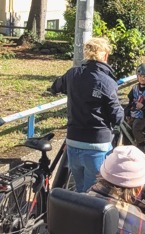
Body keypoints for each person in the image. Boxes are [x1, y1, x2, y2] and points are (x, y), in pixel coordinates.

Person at [49, 37, 123, 192]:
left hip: (73, 142)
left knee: (79, 188)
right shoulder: (107, 82)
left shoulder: (72, 74)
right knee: (92, 194)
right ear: (105, 56)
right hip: (97, 144)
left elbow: (55, 86)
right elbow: (116, 116)